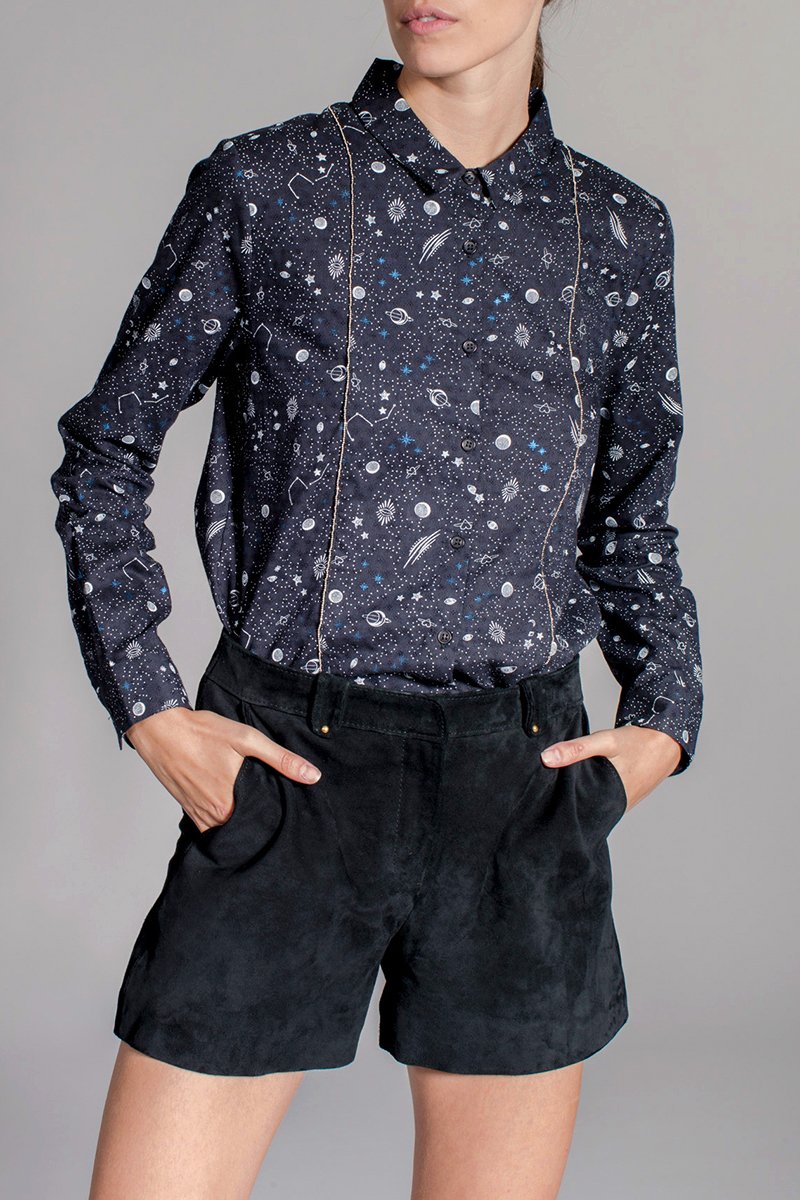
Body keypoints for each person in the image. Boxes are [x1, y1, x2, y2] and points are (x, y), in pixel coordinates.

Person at [50, 1, 704, 1196]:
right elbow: (107, 449)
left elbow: (631, 515)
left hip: (518, 786)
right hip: (287, 772)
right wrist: (147, 705)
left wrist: (664, 718)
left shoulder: (616, 229)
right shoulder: (269, 185)